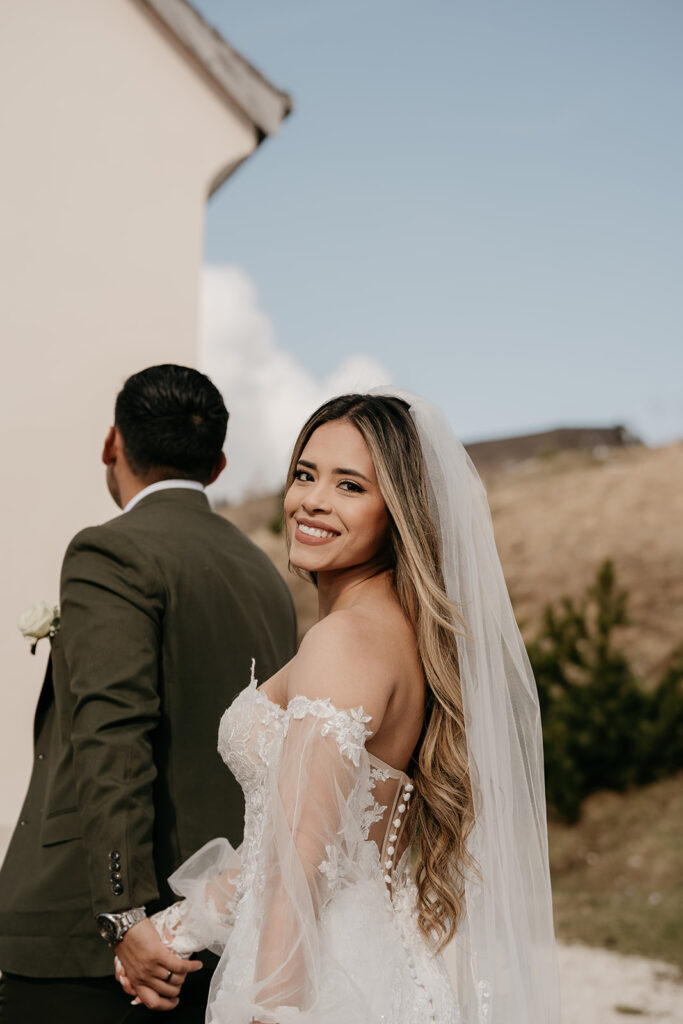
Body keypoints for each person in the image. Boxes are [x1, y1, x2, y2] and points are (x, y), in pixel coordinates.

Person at [117, 389, 560, 1022]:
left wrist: (269, 1011)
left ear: (397, 511)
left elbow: (300, 855)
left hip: (324, 982)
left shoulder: (344, 641)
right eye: (305, 473)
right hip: (368, 965)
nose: (313, 500)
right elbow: (293, 840)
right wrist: (173, 931)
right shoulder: (390, 631)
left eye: (350, 485)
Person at [0, 364, 298, 1023]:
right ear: (216, 466)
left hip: (92, 945)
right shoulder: (265, 577)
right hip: (222, 929)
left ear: (113, 443)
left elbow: (112, 734)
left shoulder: (110, 552)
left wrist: (123, 913)